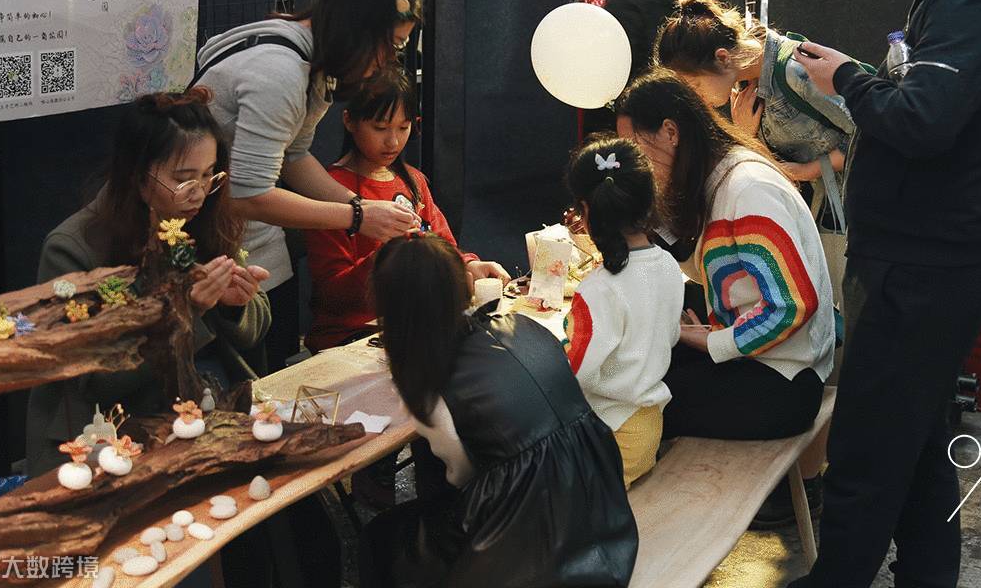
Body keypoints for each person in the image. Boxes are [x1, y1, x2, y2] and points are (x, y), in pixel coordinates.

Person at [786, 0, 981, 588]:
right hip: (922, 264)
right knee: (919, 452)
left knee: (865, 454)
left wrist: (847, 79)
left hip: (921, 272)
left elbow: (923, 121)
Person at [358, 233, 638, 588]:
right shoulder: (526, 326)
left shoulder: (429, 383)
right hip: (602, 519)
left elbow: (462, 476)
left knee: (381, 536)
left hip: (531, 549)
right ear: (465, 283)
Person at [192, 0, 422, 371]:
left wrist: (362, 206)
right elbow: (248, 194)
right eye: (391, 44)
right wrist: (356, 216)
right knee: (246, 382)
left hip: (250, 240)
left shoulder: (311, 59)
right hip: (211, 246)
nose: (389, 60)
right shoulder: (281, 72)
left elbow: (293, 156)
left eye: (400, 47)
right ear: (358, 27)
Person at [27, 88, 271, 475]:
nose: (199, 193)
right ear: (138, 177)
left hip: (206, 402)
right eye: (183, 179)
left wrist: (234, 305)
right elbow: (96, 379)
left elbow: (254, 331)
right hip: (111, 428)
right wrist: (186, 311)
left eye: (209, 175)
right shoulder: (74, 249)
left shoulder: (204, 219)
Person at [615, 71, 835, 444]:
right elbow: (702, 260)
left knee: (636, 399)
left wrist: (710, 341)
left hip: (786, 381)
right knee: (635, 363)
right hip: (758, 357)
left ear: (670, 132)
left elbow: (792, 305)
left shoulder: (747, 188)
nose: (636, 161)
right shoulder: (718, 175)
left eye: (635, 145)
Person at [304, 68, 509, 353]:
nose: (393, 141)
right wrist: (385, 258)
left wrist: (468, 265)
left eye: (403, 128)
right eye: (380, 128)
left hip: (416, 328)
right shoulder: (329, 190)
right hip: (352, 337)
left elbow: (444, 246)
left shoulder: (413, 181)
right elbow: (332, 296)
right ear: (349, 121)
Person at [561, 137, 683, 489]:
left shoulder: (598, 288)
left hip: (611, 433)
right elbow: (671, 336)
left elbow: (576, 373)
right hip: (647, 425)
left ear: (586, 211)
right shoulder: (668, 265)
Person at [655, 0, 853, 183]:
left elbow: (864, 129)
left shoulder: (795, 71)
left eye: (696, 85)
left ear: (722, 58)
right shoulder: (742, 89)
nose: (697, 97)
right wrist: (746, 134)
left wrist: (808, 171)